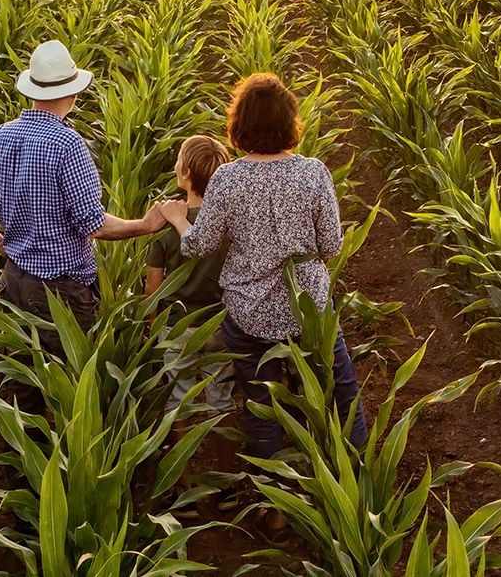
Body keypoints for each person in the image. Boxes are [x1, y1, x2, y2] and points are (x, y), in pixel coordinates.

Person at [158, 73, 368, 461]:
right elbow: (332, 246)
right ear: (290, 122)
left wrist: (178, 221)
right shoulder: (314, 172)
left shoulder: (227, 178)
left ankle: (271, 504)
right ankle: (352, 479)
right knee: (341, 391)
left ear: (239, 125)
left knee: (260, 406)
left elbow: (199, 245)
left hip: (249, 315)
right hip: (309, 310)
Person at [0, 39, 165, 352]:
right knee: (68, 387)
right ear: (72, 94)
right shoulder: (68, 146)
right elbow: (94, 224)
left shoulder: (0, 135)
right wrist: (144, 225)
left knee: (21, 384)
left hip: (13, 280)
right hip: (60, 292)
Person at [146, 135, 235, 414]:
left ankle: (182, 457)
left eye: (178, 161)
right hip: (220, 322)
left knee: (177, 399)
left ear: (185, 174)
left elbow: (153, 288)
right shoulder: (230, 223)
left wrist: (152, 325)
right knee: (221, 397)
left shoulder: (165, 226)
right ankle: (226, 458)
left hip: (177, 326)